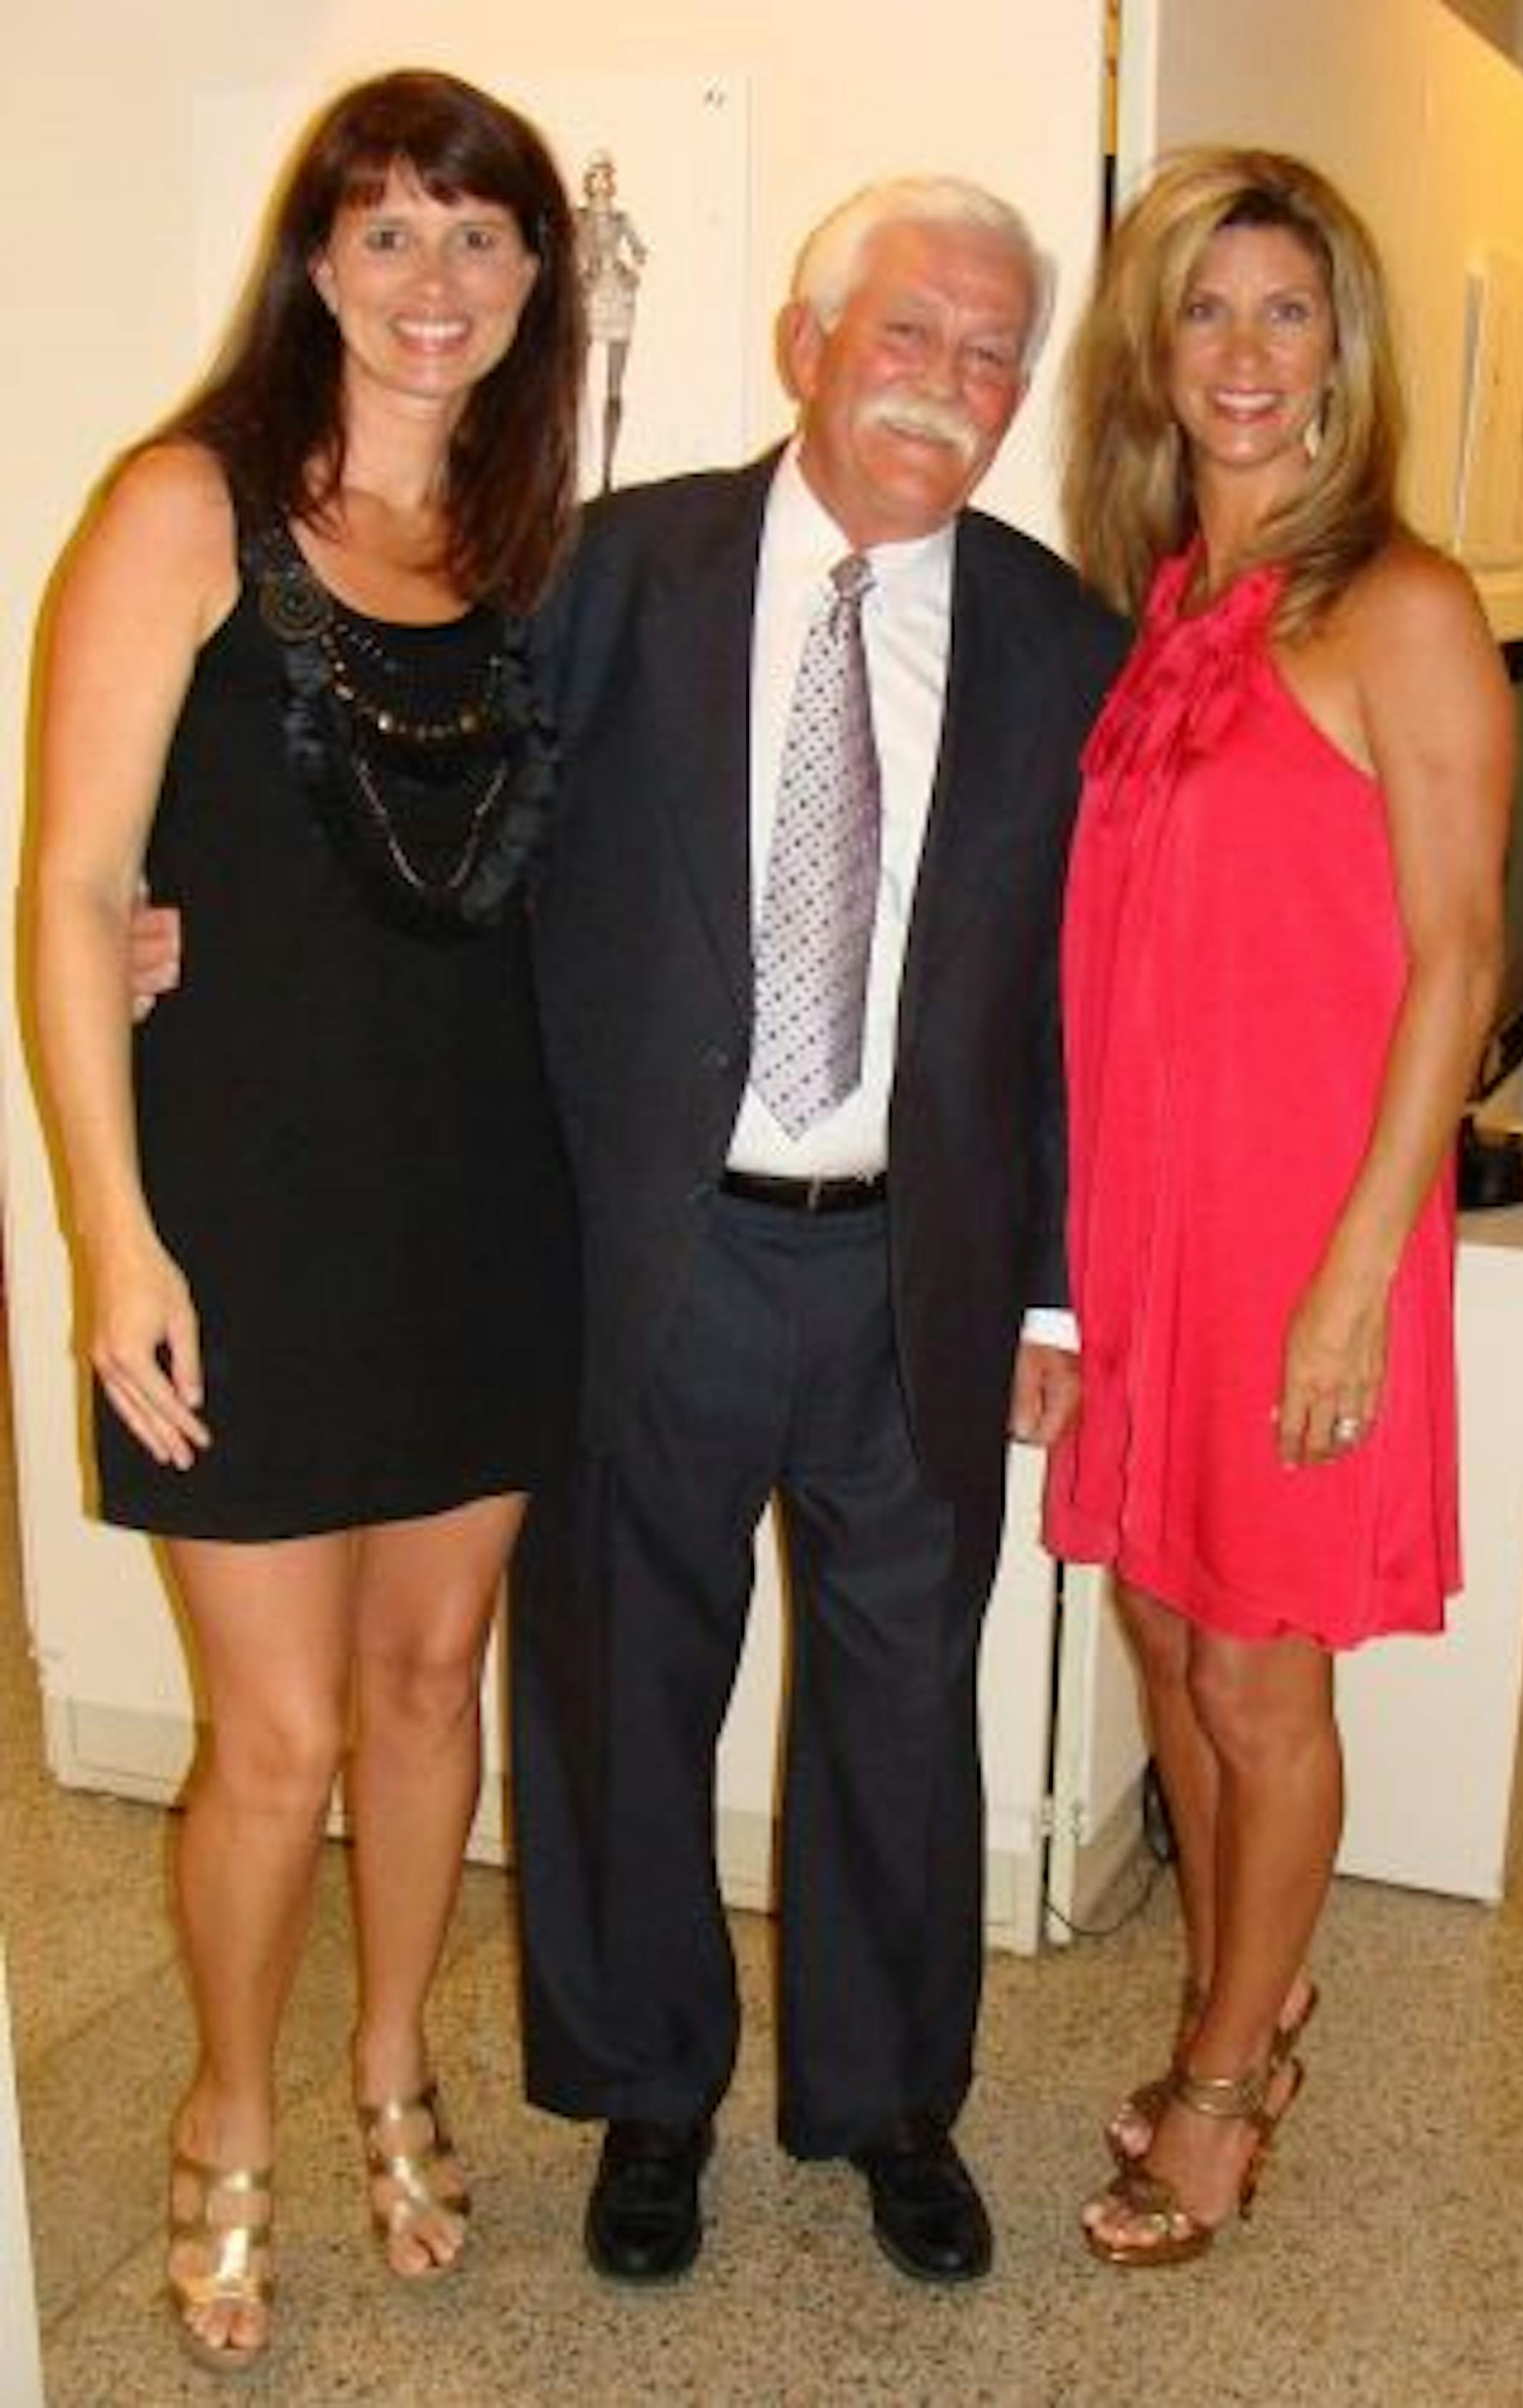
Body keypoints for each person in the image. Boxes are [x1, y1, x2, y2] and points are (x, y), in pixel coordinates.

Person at [511, 177, 1127, 2288]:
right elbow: (467, 865)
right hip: (650, 1257)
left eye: (990, 354)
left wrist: (1051, 1281)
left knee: (899, 1700)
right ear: (807, 344)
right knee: (619, 1680)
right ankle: (647, 2087)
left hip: (911, 1274)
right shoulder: (616, 573)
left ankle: (884, 2103)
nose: (950, 386)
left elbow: (1071, 1004)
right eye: (909, 336)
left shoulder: (1060, 640)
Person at [30, 69, 583, 2369]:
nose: (435, 284)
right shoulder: (187, 504)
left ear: (538, 279)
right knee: (270, 1741)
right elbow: (68, 889)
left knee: (428, 1681)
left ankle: (390, 2056)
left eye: (480, 239)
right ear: (315, 260)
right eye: (390, 235)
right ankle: (232, 2106)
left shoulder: (544, 551)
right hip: (244, 1207)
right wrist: (113, 1238)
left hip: (485, 1205)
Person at [1045, 147, 1512, 2267]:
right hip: (1151, 1234)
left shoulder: (1398, 607)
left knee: (1256, 1672)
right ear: (1157, 346)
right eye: (1205, 311)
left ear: (1346, 356)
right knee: (1157, 1607)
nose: (1241, 353)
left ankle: (1227, 2080)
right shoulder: (1167, 606)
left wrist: (1348, 1290)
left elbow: (1459, 962)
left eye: (1285, 313)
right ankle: (1269, 1970)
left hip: (1300, 1233)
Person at [574, 151, 649, 491]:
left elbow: (640, 252)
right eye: (596, 178)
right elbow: (568, 251)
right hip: (589, 296)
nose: (600, 185)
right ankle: (577, 469)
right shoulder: (579, 219)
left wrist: (629, 271)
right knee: (577, 383)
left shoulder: (620, 219)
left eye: (605, 178)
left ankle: (607, 471)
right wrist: (582, 272)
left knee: (613, 389)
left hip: (616, 295)